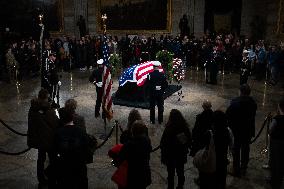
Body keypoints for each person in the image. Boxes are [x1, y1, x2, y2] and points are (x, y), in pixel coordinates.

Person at [27, 89, 59, 188]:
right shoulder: (48, 110)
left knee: (40, 159)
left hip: (39, 138)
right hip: (49, 139)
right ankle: (51, 176)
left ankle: (41, 178)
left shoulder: (33, 108)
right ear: (45, 98)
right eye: (48, 97)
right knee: (53, 159)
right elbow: (55, 123)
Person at [226, 84, 257, 177]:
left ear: (240, 91)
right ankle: (244, 168)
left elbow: (228, 115)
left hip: (237, 130)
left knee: (236, 149)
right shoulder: (253, 103)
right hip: (248, 130)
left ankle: (236, 169)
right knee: (245, 149)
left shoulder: (235, 102)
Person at [55, 108, 89, 188]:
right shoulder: (81, 132)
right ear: (72, 118)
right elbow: (86, 148)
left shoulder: (58, 133)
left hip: (64, 167)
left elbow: (55, 150)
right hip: (79, 166)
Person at [160, 109, 192, 189]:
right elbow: (188, 141)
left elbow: (163, 143)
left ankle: (171, 187)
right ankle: (180, 186)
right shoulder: (184, 127)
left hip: (170, 155)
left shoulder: (169, 129)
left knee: (171, 174)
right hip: (180, 155)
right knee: (180, 171)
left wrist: (163, 156)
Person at [118, 120, 152, 189]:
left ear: (133, 131)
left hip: (131, 176)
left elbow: (120, 159)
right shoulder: (147, 141)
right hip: (144, 175)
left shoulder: (129, 145)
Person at [269, 98, 284, 189]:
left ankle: (274, 181)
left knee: (275, 161)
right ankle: (279, 180)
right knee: (282, 162)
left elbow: (270, 130)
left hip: (276, 143)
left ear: (279, 107)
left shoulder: (276, 119)